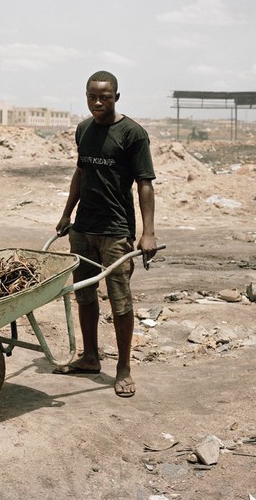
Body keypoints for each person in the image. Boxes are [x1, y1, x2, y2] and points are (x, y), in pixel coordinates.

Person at [54, 70, 158, 398]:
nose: (98, 102)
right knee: (84, 294)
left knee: (119, 299)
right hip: (83, 229)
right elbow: (81, 173)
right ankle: (90, 357)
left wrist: (148, 233)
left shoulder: (133, 134)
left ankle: (124, 367)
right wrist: (67, 213)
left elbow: (144, 184)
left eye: (105, 97)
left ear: (117, 97)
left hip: (116, 231)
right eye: (92, 96)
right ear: (86, 96)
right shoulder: (83, 129)